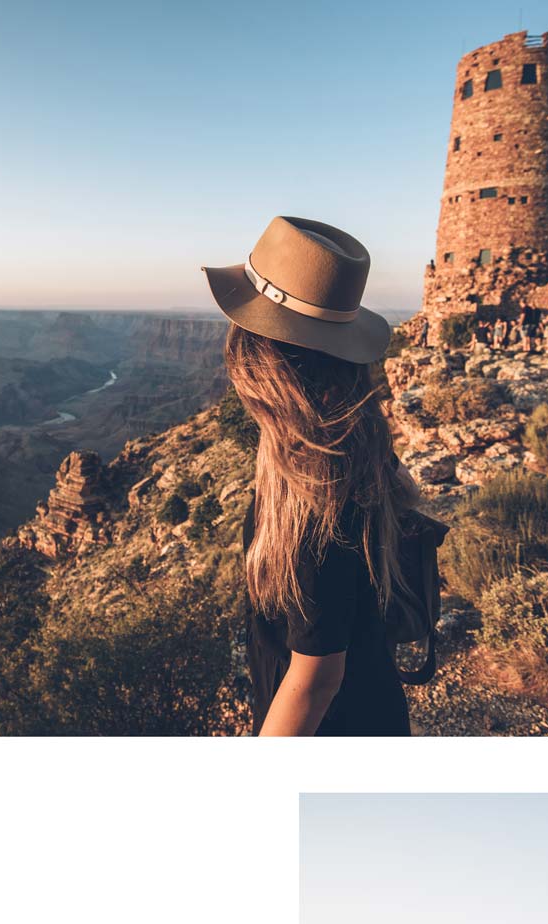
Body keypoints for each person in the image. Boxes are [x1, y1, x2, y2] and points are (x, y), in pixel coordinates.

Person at [204, 215, 415, 737]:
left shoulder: (314, 489)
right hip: (373, 705)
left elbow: (315, 678)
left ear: (261, 356)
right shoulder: (354, 444)